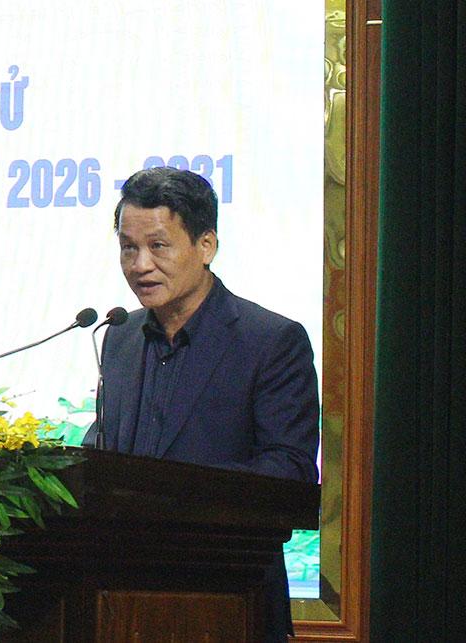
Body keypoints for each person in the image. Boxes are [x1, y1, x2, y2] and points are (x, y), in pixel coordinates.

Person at [85, 166, 320, 641]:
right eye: (128, 248)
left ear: (206, 245)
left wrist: (173, 498)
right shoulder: (120, 337)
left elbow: (290, 469)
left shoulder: (270, 341)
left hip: (229, 596)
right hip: (123, 599)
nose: (140, 265)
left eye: (158, 246)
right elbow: (107, 450)